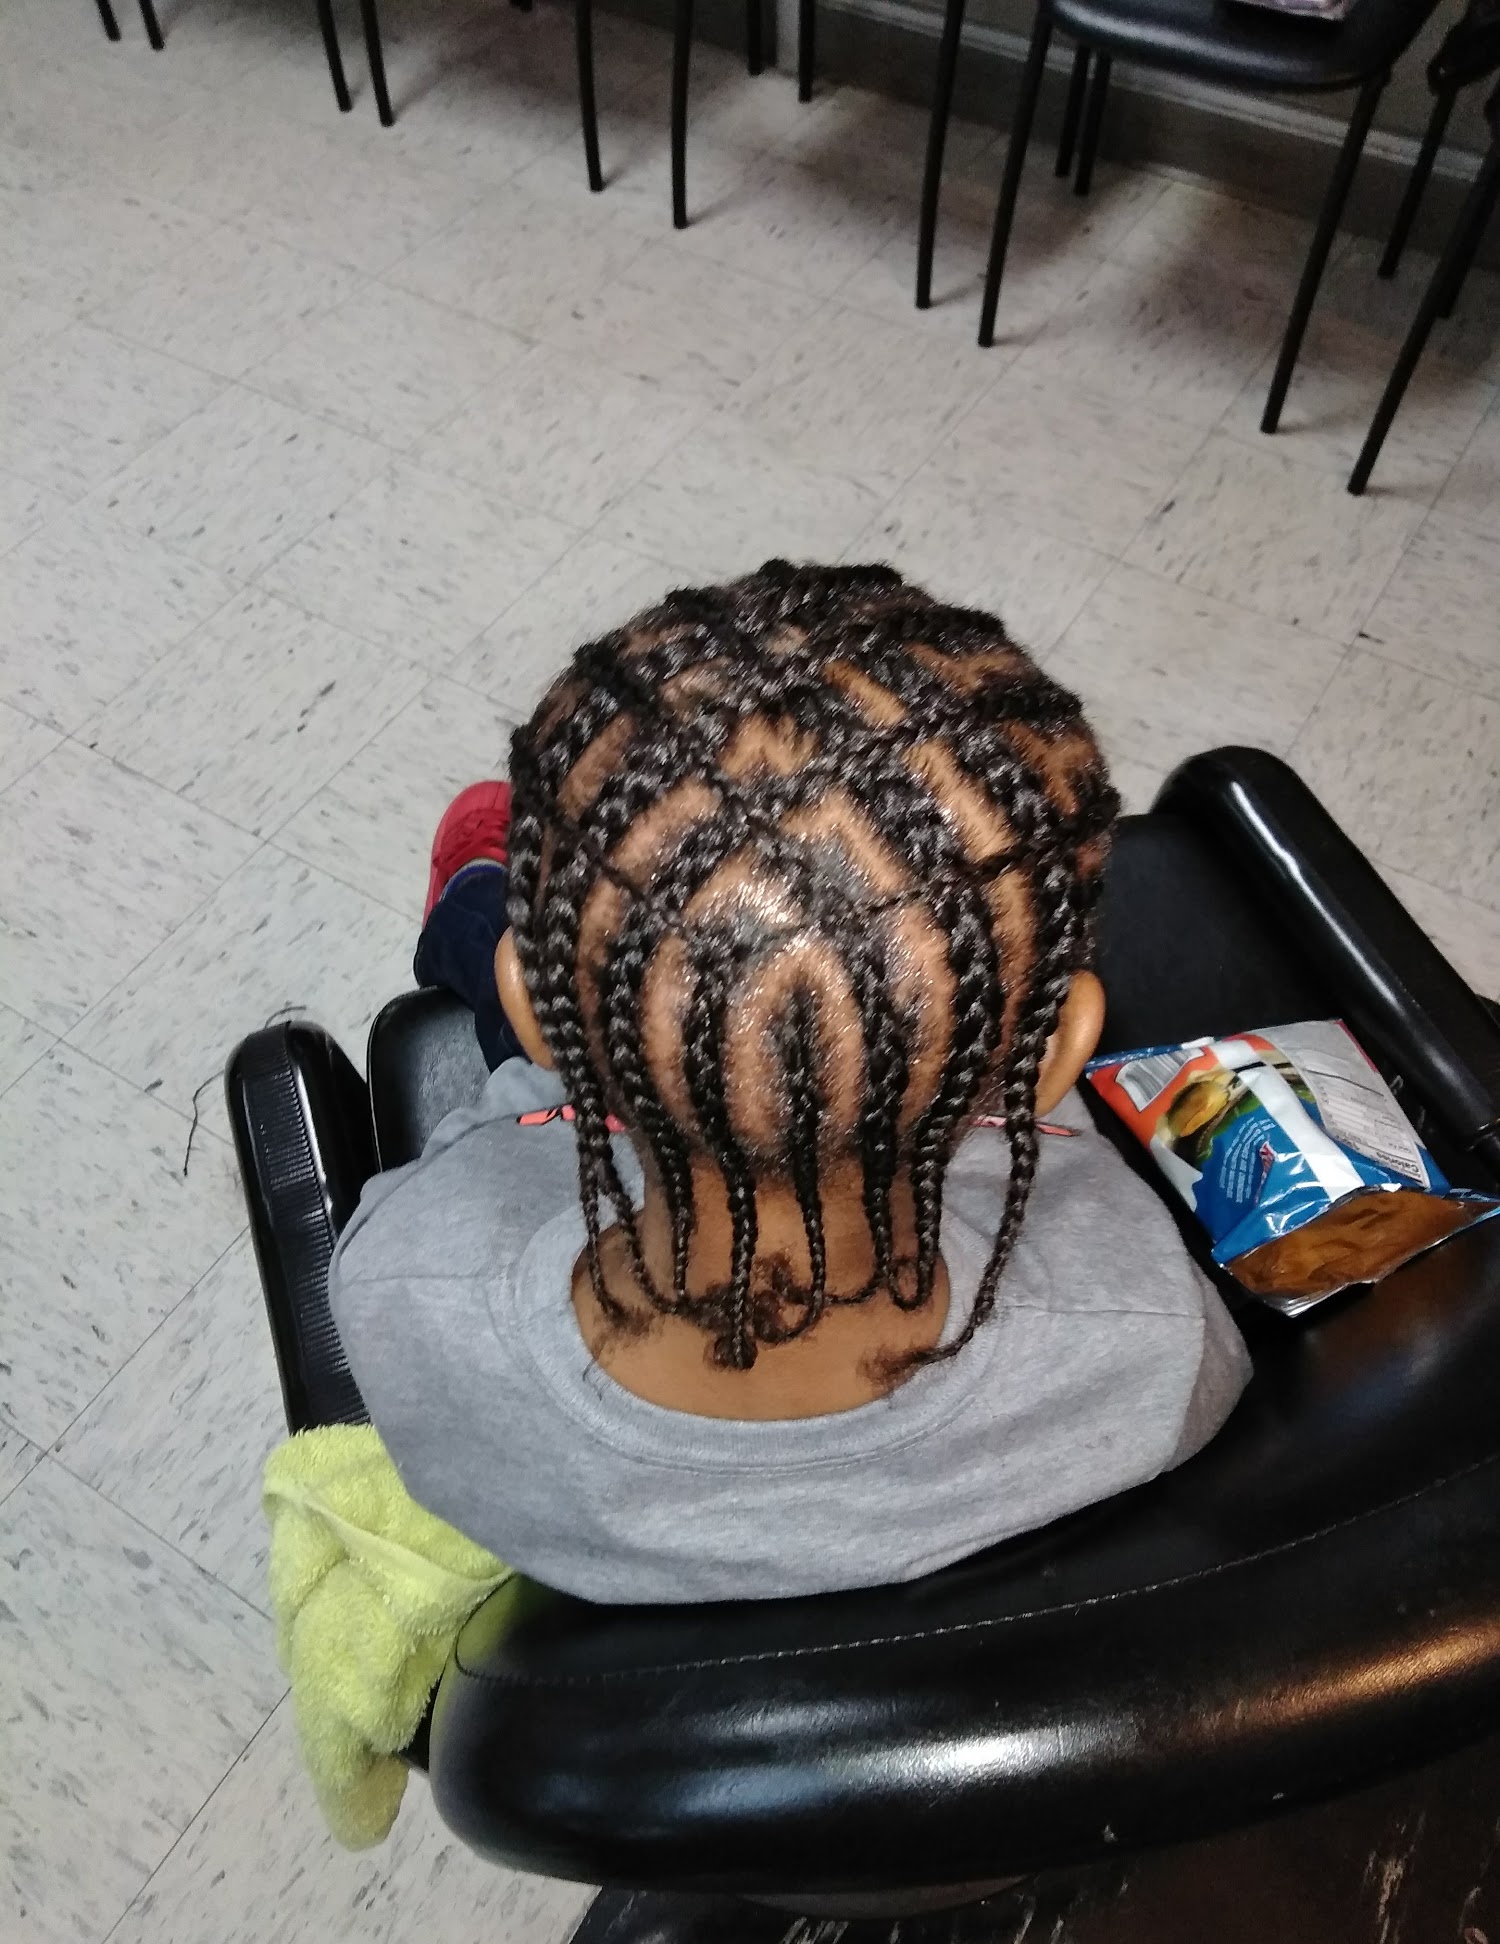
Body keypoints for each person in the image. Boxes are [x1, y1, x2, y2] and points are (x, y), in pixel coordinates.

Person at [329, 562, 1251, 1604]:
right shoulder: (1153, 1340)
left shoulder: (407, 1286)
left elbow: (509, 1122)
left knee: (490, 927)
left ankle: (478, 899)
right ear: (1049, 1056)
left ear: (541, 1017)